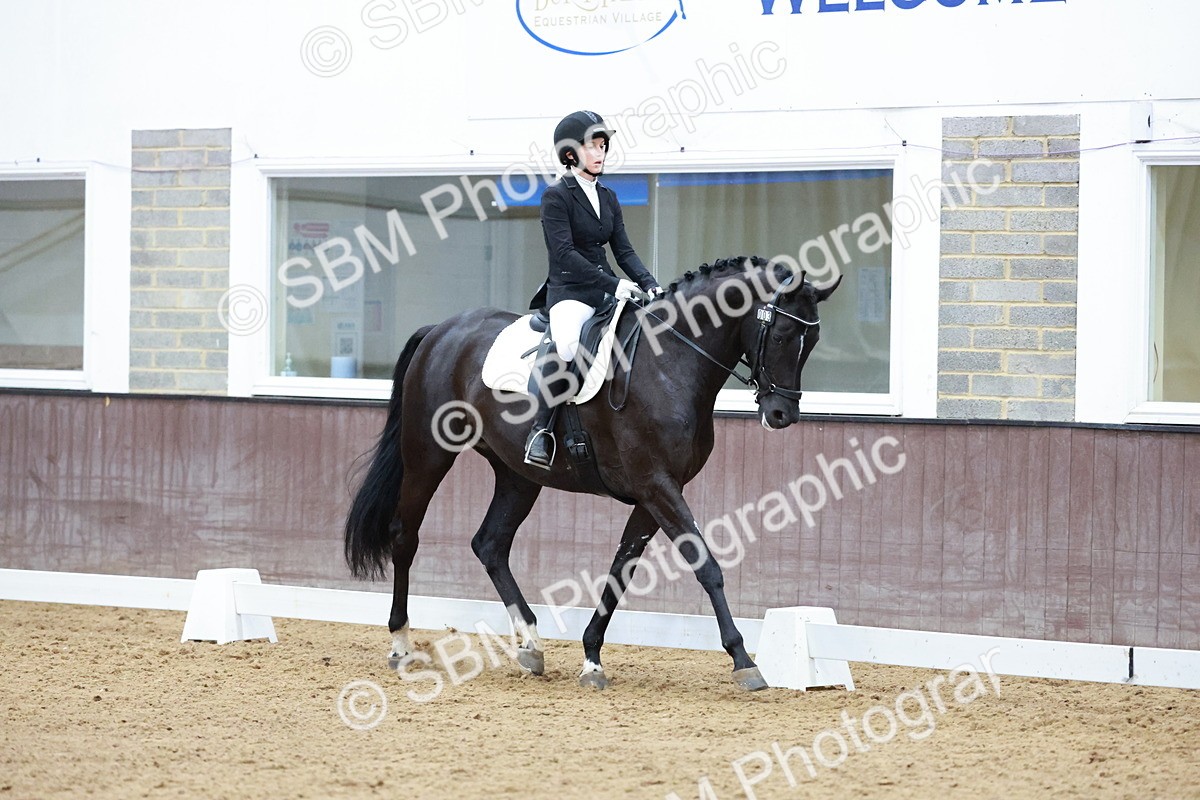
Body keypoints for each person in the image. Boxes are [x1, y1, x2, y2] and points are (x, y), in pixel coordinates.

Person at [523, 110, 664, 469]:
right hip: (570, 292)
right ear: (571, 154)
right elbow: (565, 254)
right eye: (592, 146)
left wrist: (651, 284)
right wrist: (614, 284)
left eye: (603, 146)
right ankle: (541, 431)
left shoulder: (609, 197)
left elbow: (624, 251)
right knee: (569, 344)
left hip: (606, 291)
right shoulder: (556, 197)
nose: (600, 153)